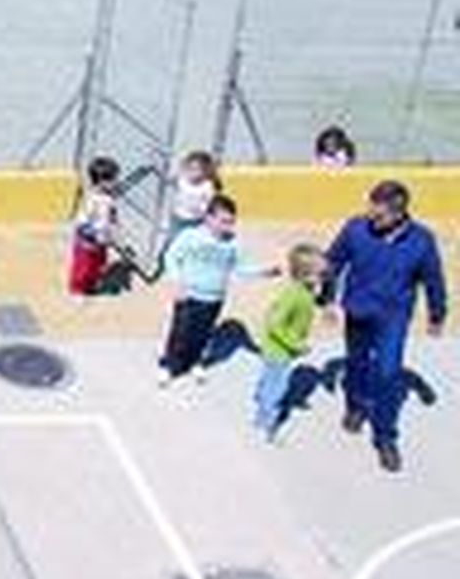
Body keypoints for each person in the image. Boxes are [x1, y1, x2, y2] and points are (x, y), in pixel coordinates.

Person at [325, 180, 447, 473]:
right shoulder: (355, 228)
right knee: (356, 363)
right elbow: (333, 262)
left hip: (393, 317)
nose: (371, 217)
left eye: (378, 215)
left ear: (399, 214)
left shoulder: (422, 240)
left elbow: (433, 278)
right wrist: (325, 299)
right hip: (358, 310)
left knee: (388, 371)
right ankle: (355, 406)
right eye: (370, 209)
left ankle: (385, 436)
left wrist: (437, 314)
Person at [158, 194, 280, 386]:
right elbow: (171, 258)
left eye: (231, 222)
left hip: (214, 298)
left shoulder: (232, 243)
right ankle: (170, 366)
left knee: (203, 334)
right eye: (223, 221)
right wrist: (177, 282)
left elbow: (240, 268)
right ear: (208, 218)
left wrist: (264, 271)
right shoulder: (190, 236)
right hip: (189, 295)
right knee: (181, 332)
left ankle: (194, 362)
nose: (227, 227)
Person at [253, 245, 325, 442]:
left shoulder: (304, 291)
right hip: (280, 349)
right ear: (305, 275)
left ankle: (260, 404)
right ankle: (268, 424)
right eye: (320, 274)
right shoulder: (293, 295)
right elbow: (274, 322)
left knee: (269, 379)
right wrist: (295, 344)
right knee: (278, 387)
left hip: (277, 348)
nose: (323, 278)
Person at [69, 156, 120, 296]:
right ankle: (78, 289)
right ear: (102, 181)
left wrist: (112, 229)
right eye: (113, 179)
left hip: (102, 240)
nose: (116, 182)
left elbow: (110, 216)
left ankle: (90, 285)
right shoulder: (92, 200)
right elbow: (82, 220)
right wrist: (89, 233)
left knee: (98, 265)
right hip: (89, 242)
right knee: (83, 267)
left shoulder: (108, 198)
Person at [168, 151, 221, 240]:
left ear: (205, 172)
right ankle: (167, 252)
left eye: (196, 170)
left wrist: (203, 209)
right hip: (178, 216)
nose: (192, 173)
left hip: (195, 220)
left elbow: (209, 202)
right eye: (190, 169)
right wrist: (178, 163)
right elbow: (171, 179)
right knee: (173, 238)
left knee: (190, 239)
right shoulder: (182, 180)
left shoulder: (206, 186)